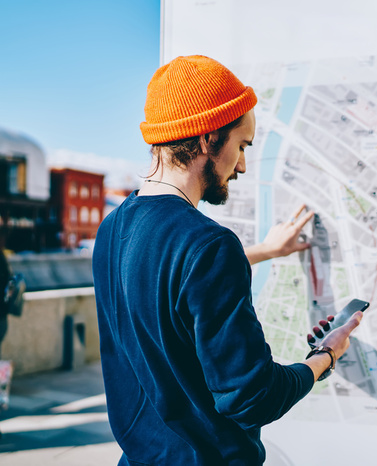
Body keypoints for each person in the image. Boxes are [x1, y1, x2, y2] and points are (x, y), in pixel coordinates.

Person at [93, 55, 363, 465]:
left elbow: (164, 283)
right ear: (207, 139)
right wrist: (324, 358)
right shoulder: (209, 245)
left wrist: (263, 252)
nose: (242, 165)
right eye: (241, 146)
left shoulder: (111, 230)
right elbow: (253, 398)